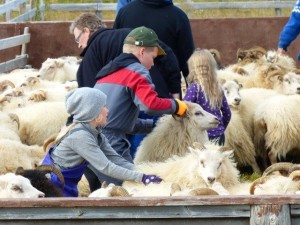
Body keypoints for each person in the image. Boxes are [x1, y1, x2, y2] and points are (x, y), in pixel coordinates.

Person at [93, 26, 188, 185]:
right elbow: (149, 105)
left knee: (98, 196)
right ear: (142, 51)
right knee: (128, 192)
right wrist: (177, 106)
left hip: (90, 139)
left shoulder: (108, 71)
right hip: (110, 145)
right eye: (153, 57)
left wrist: (154, 125)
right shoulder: (136, 71)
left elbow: (117, 119)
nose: (153, 64)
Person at [41, 87, 162, 197]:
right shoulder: (81, 136)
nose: (108, 110)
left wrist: (145, 171)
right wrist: (142, 178)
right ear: (93, 112)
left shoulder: (95, 133)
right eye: (104, 106)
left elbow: (116, 159)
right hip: (52, 186)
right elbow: (106, 167)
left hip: (65, 184)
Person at [113, 0, 195, 79]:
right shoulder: (179, 17)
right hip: (167, 86)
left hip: (130, 82)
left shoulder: (125, 12)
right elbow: (188, 59)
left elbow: (115, 49)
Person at [183, 49, 231, 146]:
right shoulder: (218, 89)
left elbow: (184, 109)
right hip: (219, 135)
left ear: (192, 68)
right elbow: (227, 113)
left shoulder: (194, 88)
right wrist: (220, 127)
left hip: (201, 135)